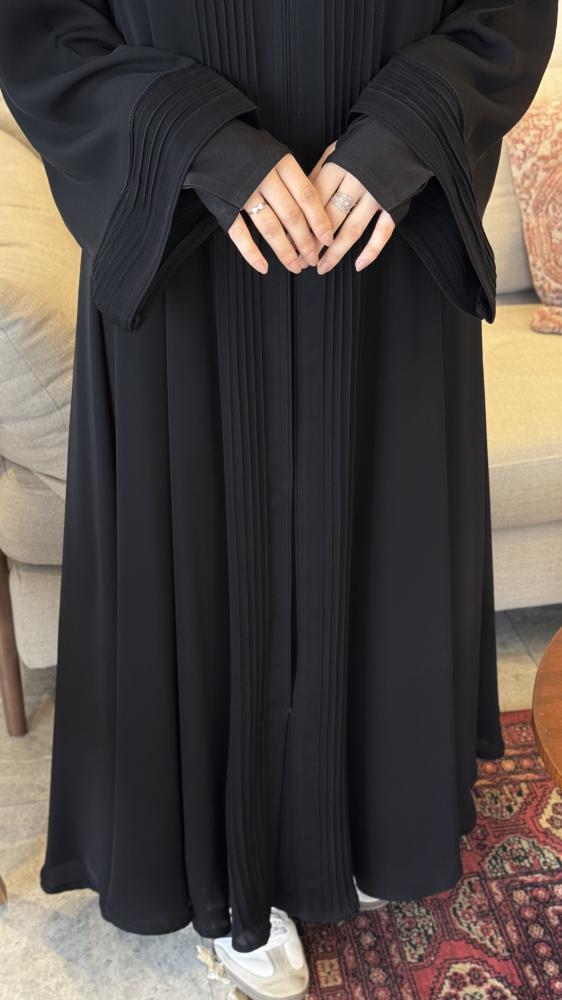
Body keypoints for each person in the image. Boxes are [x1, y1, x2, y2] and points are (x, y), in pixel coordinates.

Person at [0, 2, 557, 999]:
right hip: (187, 246)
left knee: (385, 548)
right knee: (213, 560)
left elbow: (507, 12)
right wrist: (192, 135)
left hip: (386, 233)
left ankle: (371, 827)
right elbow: (40, 26)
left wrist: (406, 126)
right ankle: (223, 880)